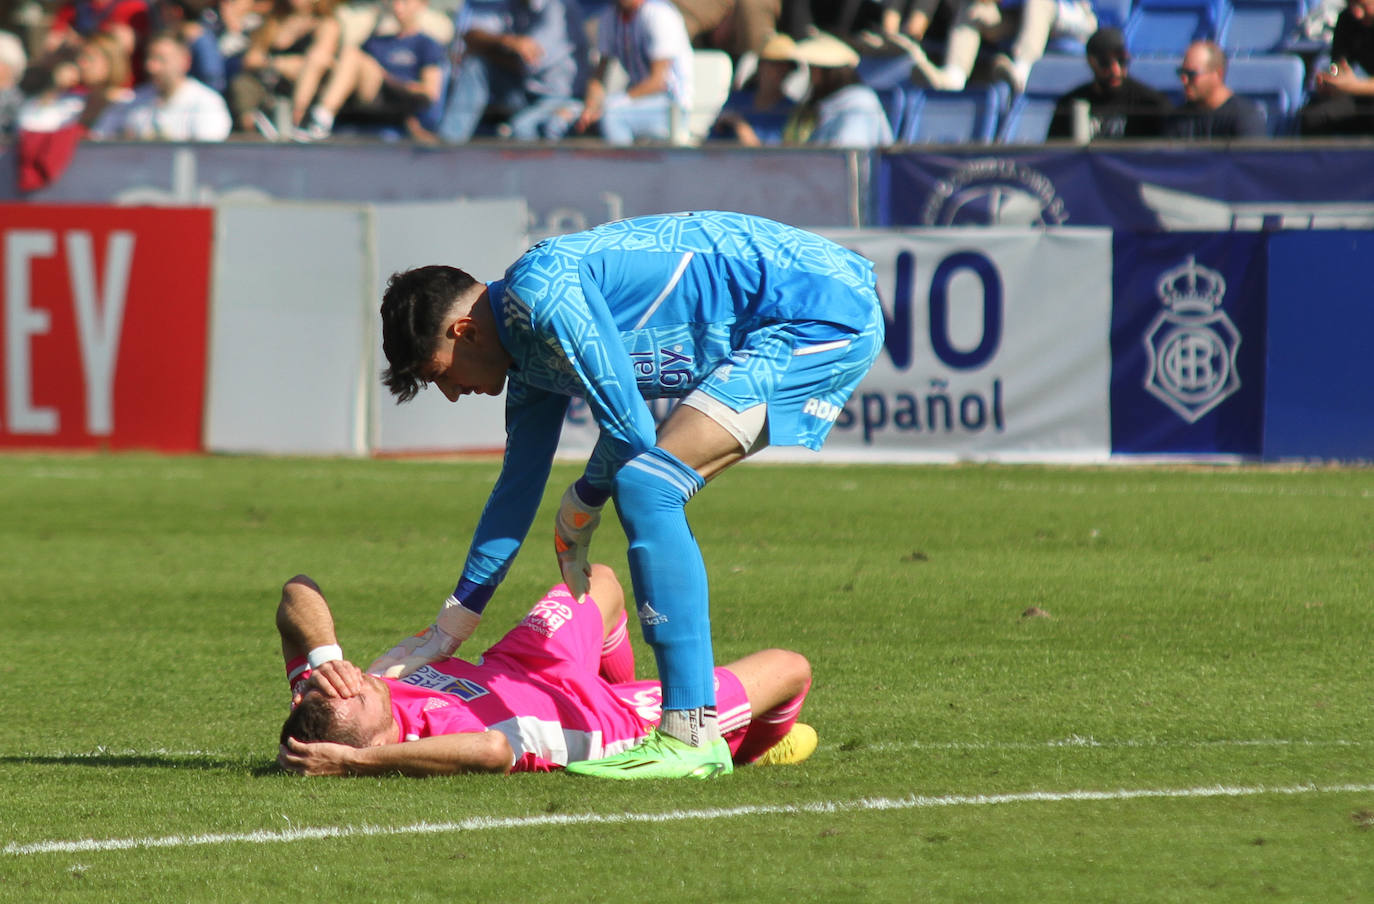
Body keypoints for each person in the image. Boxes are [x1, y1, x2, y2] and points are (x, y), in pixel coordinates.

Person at [369, 210, 884, 780]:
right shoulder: (526, 349)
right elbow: (515, 491)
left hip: (815, 312)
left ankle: (691, 736)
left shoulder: (537, 295)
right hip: (797, 311)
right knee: (645, 483)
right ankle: (695, 730)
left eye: (437, 372)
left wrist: (582, 505)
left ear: (462, 332)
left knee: (647, 485)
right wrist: (449, 629)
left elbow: (632, 430)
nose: (449, 392)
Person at [277, 564, 818, 776]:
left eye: (352, 678)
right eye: (366, 696)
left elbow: (298, 590)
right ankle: (752, 752)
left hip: (524, 664)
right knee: (790, 669)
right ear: (372, 745)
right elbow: (492, 751)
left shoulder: (326, 700)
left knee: (598, 581)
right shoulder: (427, 743)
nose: (367, 680)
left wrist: (326, 659)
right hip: (599, 718)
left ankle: (615, 676)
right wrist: (350, 764)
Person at [435, 0, 589, 143]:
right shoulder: (511, 4)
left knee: (522, 129)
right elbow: (470, 36)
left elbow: (525, 61)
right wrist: (507, 41)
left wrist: (485, 48)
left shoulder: (559, 7)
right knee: (476, 66)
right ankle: (447, 146)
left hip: (558, 98)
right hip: (522, 92)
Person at [296, 0, 446, 140]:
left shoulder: (426, 45)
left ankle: (321, 117)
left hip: (394, 99)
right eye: (395, 1)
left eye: (405, 2)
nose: (398, 7)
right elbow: (349, 71)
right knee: (318, 58)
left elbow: (429, 92)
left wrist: (392, 80)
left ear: (422, 4)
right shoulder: (377, 42)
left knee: (351, 54)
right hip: (363, 96)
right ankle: (299, 117)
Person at [573, 0, 694, 144]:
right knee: (569, 116)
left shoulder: (659, 14)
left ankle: (624, 165)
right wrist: (590, 108)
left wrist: (614, 102)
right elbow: (599, 77)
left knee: (612, 117)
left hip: (671, 106)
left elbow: (658, 82)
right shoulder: (609, 17)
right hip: (634, 102)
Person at [926, 0, 1098, 92]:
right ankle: (953, 77)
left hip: (1075, 16)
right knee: (972, 9)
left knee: (1038, 3)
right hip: (1023, 15)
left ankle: (1020, 72)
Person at [92, 29, 233, 138]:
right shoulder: (132, 101)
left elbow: (208, 158)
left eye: (162, 59)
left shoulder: (207, 104)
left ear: (185, 61)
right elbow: (99, 139)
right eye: (150, 58)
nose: (151, 67)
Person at [227, 0, 341, 135]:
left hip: (304, 86)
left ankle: (299, 119)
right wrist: (279, 63)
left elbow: (320, 59)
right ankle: (256, 130)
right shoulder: (273, 21)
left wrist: (296, 66)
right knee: (242, 85)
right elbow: (251, 59)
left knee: (312, 68)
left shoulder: (326, 24)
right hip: (268, 83)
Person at [1047, 26, 1171, 140]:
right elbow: (1055, 155)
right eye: (1105, 63)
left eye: (1122, 61)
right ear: (1091, 62)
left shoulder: (1149, 104)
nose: (1115, 70)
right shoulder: (1070, 104)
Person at [789, 30, 893, 146]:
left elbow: (846, 157)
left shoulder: (858, 106)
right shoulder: (825, 107)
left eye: (813, 68)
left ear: (825, 71)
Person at [1164, 40, 1266, 139]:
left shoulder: (1245, 117)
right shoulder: (1179, 119)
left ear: (1217, 74)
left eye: (1191, 74)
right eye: (1181, 73)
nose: (1184, 80)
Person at [1299, 0, 1374, 136]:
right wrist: (1331, 82)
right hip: (1360, 97)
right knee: (1313, 116)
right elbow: (1339, 65)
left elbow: (1353, 85)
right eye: (1352, 4)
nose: (1357, 13)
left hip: (1364, 91)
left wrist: (1355, 86)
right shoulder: (1347, 20)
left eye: (1364, 6)